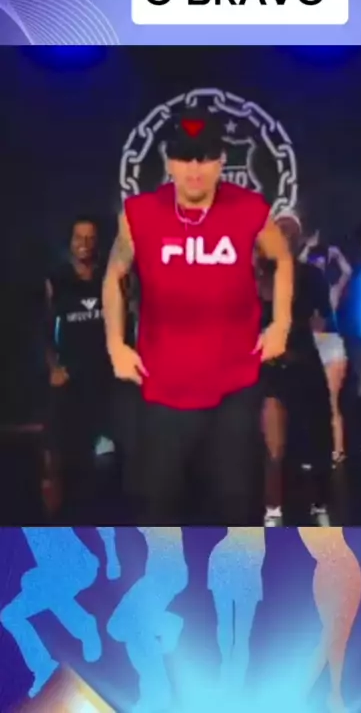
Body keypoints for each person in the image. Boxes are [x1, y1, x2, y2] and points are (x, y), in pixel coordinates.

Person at [102, 111, 294, 526]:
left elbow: (281, 259)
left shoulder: (249, 209)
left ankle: (238, 572)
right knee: (158, 510)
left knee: (235, 508)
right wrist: (115, 344)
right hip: (163, 385)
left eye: (204, 157)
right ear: (168, 161)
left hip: (233, 384)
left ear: (222, 159)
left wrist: (281, 323)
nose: (194, 169)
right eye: (184, 157)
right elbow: (114, 274)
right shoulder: (138, 213)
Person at [259, 211, 333, 526]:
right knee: (273, 446)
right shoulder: (258, 275)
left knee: (315, 441)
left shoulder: (312, 275)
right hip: (269, 367)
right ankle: (272, 511)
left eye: (292, 232)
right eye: (281, 231)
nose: (286, 237)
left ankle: (319, 505)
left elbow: (323, 319)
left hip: (304, 365)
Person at [45, 216, 115, 517]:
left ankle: (103, 519)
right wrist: (53, 367)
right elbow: (43, 329)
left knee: (106, 460)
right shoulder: (57, 280)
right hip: (70, 380)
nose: (84, 244)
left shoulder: (109, 277)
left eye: (90, 238)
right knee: (65, 456)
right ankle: (59, 522)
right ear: (70, 242)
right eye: (78, 238)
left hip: (105, 378)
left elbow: (126, 323)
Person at [305, 235, 351, 465]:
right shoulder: (301, 288)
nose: (318, 266)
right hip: (311, 344)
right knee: (311, 402)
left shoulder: (330, 290)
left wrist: (337, 254)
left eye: (321, 263)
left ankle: (337, 450)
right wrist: (308, 248)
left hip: (330, 344)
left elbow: (347, 272)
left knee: (331, 402)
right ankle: (322, 450)